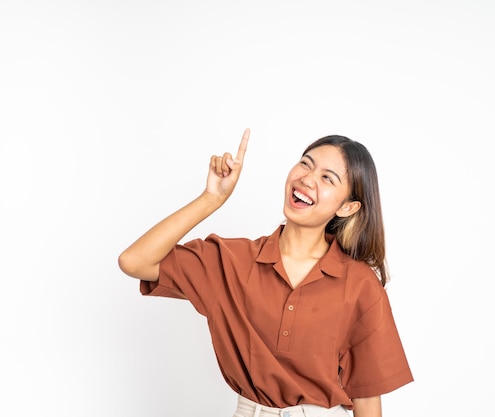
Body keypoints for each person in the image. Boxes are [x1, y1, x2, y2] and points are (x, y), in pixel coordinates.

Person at [118, 128, 413, 417]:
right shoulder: (230, 261)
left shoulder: (359, 285)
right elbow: (135, 261)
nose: (307, 179)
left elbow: (367, 400)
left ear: (348, 207)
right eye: (305, 164)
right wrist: (211, 198)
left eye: (327, 178)